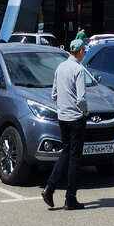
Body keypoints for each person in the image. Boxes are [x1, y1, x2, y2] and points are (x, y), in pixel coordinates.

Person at [41, 37, 89, 211]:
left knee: (66, 152)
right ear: (79, 52)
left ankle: (50, 187)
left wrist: (63, 105)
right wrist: (84, 112)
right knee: (75, 157)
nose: (84, 53)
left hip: (63, 117)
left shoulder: (60, 67)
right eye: (84, 51)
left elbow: (54, 93)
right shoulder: (79, 69)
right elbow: (81, 97)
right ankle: (70, 198)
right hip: (76, 118)